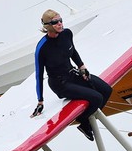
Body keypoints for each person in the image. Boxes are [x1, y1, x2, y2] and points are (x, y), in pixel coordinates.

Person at [31, 9, 112, 141]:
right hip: (60, 84)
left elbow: (72, 51)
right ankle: (83, 122)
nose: (60, 24)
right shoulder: (42, 48)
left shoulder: (66, 34)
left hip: (73, 74)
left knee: (106, 90)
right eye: (55, 22)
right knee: (96, 98)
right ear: (48, 26)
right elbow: (39, 75)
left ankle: (85, 124)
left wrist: (82, 67)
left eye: (61, 20)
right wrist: (40, 101)